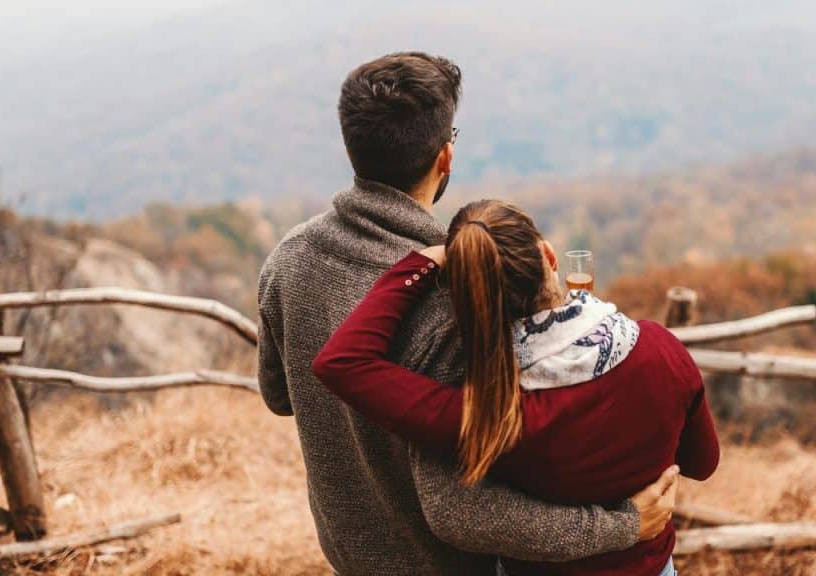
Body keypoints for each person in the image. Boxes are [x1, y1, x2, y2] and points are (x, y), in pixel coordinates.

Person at [258, 52, 681, 576]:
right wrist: (620, 526)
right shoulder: (463, 297)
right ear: (446, 157)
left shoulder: (289, 257)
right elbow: (459, 510)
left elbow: (281, 397)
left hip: (350, 557)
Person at [312, 199, 720, 576]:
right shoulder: (661, 349)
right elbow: (703, 463)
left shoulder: (484, 414)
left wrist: (422, 261)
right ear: (549, 256)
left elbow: (342, 362)